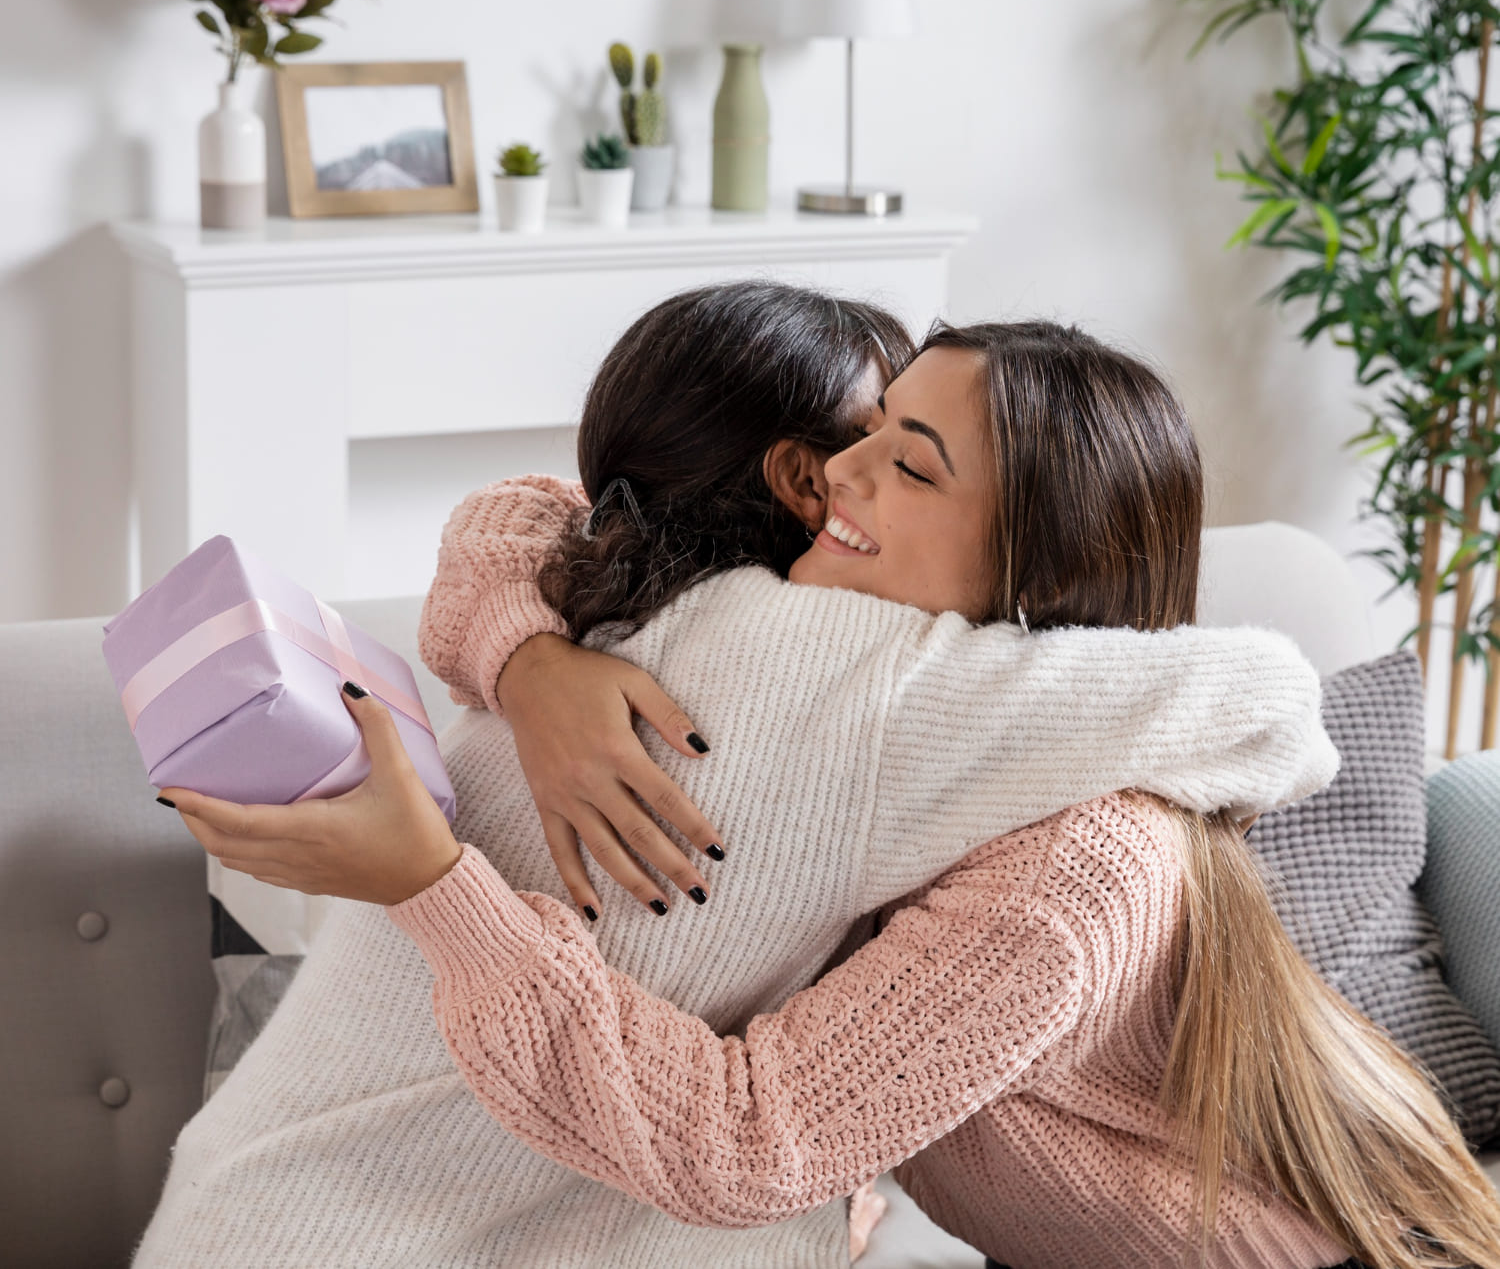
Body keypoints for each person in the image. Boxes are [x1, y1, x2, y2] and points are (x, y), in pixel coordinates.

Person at [142, 288, 1337, 1269]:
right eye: (853, 435)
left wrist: (507, 711)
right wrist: (525, 672)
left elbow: (1275, 708)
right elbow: (1272, 705)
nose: (835, 476)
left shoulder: (859, 692)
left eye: (906, 463)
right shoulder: (766, 651)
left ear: (1050, 559)